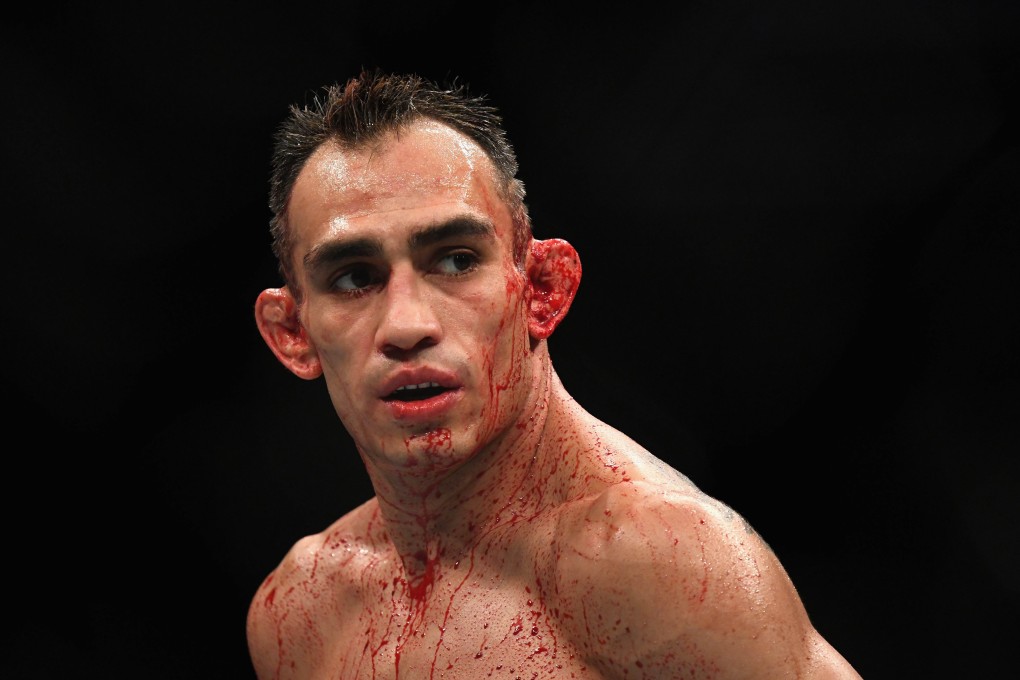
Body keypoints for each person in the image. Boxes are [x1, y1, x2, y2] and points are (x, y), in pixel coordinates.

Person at [247, 67, 862, 679]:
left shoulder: (661, 564)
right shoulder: (303, 611)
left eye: (456, 261)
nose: (407, 325)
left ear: (542, 290)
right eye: (355, 277)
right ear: (293, 333)